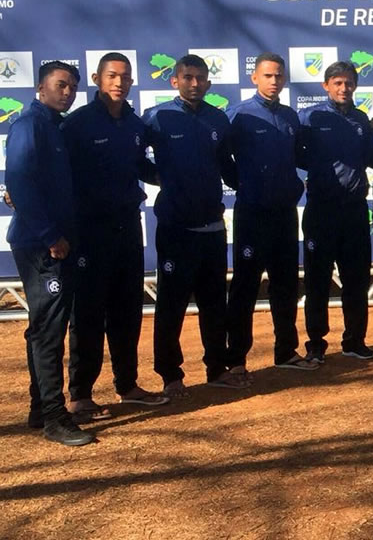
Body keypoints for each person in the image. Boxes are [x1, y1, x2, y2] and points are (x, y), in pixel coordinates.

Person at [62, 52, 168, 420]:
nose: (119, 82)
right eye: (112, 76)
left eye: (125, 77)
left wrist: (179, 174)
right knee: (88, 312)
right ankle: (79, 395)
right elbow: (57, 173)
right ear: (97, 78)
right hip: (89, 230)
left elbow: (143, 168)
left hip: (127, 226)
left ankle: (128, 386)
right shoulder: (76, 125)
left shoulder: (136, 125)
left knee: (127, 310)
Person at [143, 54, 245, 396]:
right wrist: (157, 176)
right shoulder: (157, 117)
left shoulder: (218, 119)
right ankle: (170, 375)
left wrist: (256, 186)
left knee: (215, 303)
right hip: (176, 227)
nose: (195, 83)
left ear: (209, 83)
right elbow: (131, 157)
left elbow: (227, 165)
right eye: (187, 77)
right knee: (171, 305)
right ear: (175, 81)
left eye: (201, 78)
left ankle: (217, 368)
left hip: (213, 228)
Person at [5, 61, 93, 445]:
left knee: (46, 327)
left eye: (72, 86)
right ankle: (56, 418)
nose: (67, 92)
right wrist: (49, 235)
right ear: (42, 87)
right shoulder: (30, 125)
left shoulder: (56, 126)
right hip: (42, 245)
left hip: (55, 241)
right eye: (60, 85)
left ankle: (40, 408)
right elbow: (20, 183)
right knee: (49, 331)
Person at [225, 53, 313, 378]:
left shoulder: (291, 117)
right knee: (245, 287)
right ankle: (235, 359)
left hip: (284, 214)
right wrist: (241, 183)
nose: (273, 81)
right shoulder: (237, 115)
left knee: (286, 285)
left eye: (278, 76)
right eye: (267, 76)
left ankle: (286, 351)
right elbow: (222, 157)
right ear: (254, 78)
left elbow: (303, 155)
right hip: (251, 214)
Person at [299, 61, 373, 362]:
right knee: (317, 280)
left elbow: (369, 155)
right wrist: (319, 172)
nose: (344, 88)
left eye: (348, 83)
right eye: (337, 83)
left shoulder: (361, 118)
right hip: (321, 210)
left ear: (355, 85)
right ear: (326, 86)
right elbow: (295, 152)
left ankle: (354, 340)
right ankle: (316, 345)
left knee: (356, 280)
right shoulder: (310, 117)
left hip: (355, 211)